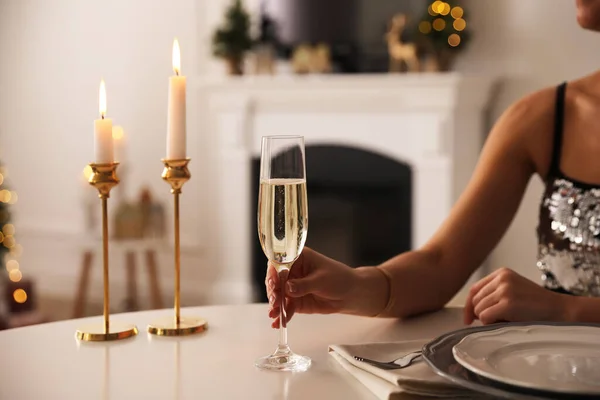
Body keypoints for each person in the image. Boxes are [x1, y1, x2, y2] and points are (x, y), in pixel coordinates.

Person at [265, 0, 600, 328]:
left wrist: (564, 310)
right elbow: (440, 265)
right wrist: (353, 285)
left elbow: (559, 310)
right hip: (553, 376)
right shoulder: (542, 117)